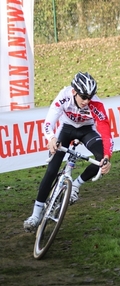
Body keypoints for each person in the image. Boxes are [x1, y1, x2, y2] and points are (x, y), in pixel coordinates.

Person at [24, 72, 113, 232]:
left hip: (87, 131)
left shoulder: (95, 103)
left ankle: (76, 185)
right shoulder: (64, 96)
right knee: (52, 170)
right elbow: (48, 122)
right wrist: (51, 138)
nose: (86, 101)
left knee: (100, 160)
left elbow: (105, 128)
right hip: (66, 129)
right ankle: (36, 214)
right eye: (83, 97)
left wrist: (107, 156)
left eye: (90, 97)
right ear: (74, 92)